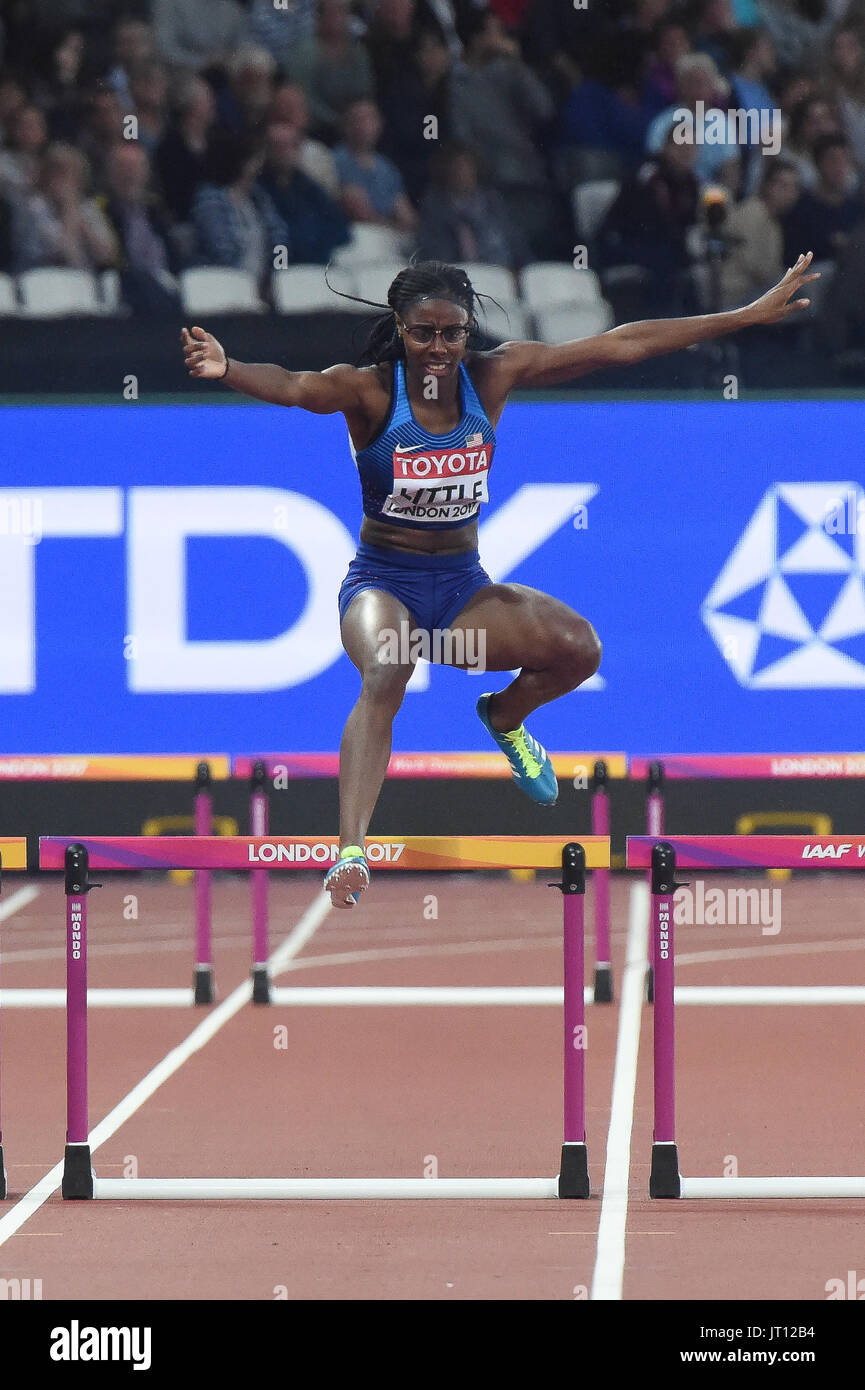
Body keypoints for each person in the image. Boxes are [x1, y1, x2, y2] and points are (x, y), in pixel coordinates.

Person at [181, 252, 820, 908]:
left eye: (451, 333)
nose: (437, 348)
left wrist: (743, 314)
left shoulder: (493, 375)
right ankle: (351, 849)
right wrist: (227, 369)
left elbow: (619, 345)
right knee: (385, 668)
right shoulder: (369, 389)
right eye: (422, 332)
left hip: (461, 591)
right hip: (382, 583)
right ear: (398, 328)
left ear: (468, 331)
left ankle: (504, 715)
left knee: (579, 649)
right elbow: (294, 386)